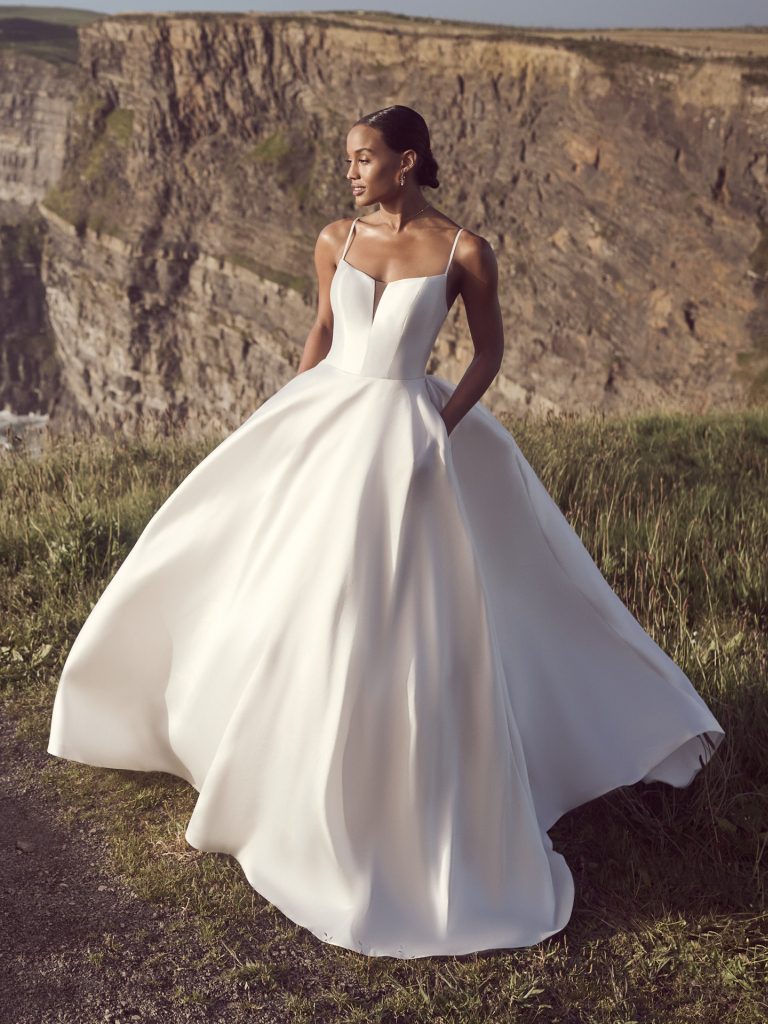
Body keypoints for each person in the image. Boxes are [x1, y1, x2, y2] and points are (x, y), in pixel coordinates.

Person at [47, 105, 724, 960]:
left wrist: (445, 422)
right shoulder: (335, 237)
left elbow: (487, 353)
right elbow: (324, 334)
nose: (351, 171)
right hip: (324, 426)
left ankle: (394, 793)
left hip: (405, 437)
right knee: (286, 590)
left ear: (407, 161)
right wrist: (286, 420)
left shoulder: (463, 251)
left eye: (364, 158)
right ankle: (251, 763)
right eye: (347, 160)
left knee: (388, 610)